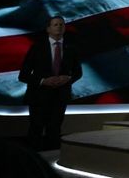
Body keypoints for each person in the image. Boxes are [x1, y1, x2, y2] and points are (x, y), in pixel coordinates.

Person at [18, 16, 82, 150]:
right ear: (48, 29)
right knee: (36, 129)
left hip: (60, 97)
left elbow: (78, 72)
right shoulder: (37, 47)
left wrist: (68, 78)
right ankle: (34, 159)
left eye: (61, 24)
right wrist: (43, 81)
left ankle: (52, 159)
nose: (59, 27)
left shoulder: (71, 48)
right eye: (55, 24)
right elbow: (23, 75)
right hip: (38, 97)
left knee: (54, 130)